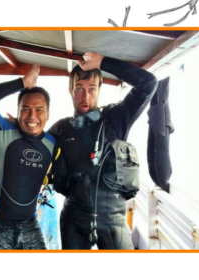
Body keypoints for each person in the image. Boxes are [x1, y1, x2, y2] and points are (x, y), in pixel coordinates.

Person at [49, 52, 158, 250]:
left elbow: (148, 83)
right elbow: (34, 148)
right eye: (79, 89)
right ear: (70, 89)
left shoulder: (116, 118)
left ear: (100, 89)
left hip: (113, 221)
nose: (85, 96)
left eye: (92, 89)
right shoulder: (61, 129)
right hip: (73, 219)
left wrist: (102, 62)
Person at [0, 65, 56, 250]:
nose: (32, 116)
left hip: (30, 224)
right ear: (18, 111)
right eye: (26, 109)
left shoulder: (53, 142)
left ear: (48, 114)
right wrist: (21, 83)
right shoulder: (3, 130)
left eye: (39, 110)